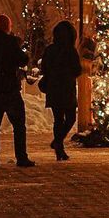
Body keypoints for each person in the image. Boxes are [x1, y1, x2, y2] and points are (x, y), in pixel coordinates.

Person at [0, 13, 35, 169]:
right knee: (19, 125)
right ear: (8, 27)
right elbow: (22, 59)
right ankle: (21, 157)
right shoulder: (11, 42)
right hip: (9, 89)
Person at [39, 20, 82, 160]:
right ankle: (58, 143)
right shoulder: (71, 51)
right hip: (67, 88)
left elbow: (44, 68)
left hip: (54, 88)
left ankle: (58, 146)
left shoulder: (50, 50)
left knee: (58, 119)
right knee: (70, 118)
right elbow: (77, 70)